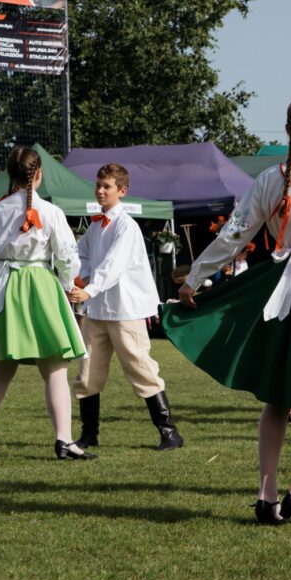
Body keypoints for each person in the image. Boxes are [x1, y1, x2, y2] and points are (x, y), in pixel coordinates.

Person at [162, 95, 291, 524]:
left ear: (287, 131)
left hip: (282, 284)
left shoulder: (269, 180)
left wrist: (195, 277)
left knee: (278, 396)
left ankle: (267, 493)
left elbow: (234, 236)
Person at [0, 146, 93, 459]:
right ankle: (64, 441)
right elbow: (67, 258)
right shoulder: (51, 212)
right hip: (37, 288)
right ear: (40, 173)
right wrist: (68, 285)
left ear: (10, 175)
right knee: (55, 369)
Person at [67, 163, 184, 451]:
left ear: (122, 191)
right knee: (87, 373)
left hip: (125, 309)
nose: (100, 191)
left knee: (141, 368)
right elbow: (83, 256)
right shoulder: (95, 225)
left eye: (107, 186)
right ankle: (89, 434)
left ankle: (169, 432)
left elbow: (114, 266)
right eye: (98, 185)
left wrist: (89, 288)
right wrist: (79, 280)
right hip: (97, 310)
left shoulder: (126, 226)